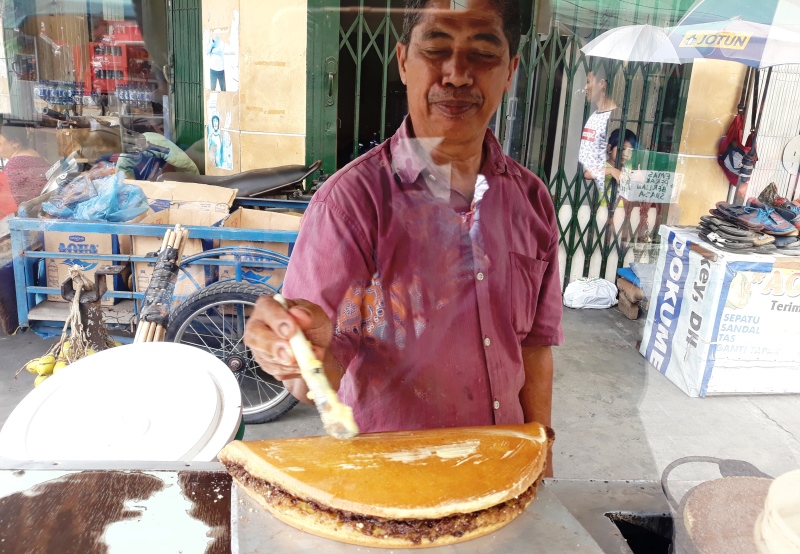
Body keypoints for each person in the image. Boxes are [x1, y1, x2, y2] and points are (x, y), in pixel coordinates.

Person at [244, 0, 563, 471]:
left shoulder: (531, 200)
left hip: (506, 472)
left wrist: (542, 465)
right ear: (402, 62)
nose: (456, 75)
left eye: (482, 52)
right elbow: (319, 369)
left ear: (511, 69)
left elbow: (535, 349)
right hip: (395, 483)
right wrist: (297, 353)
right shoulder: (350, 204)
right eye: (436, 49)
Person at [578, 61, 619, 203]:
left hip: (615, 198)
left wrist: (611, 171)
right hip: (598, 196)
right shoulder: (594, 116)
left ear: (602, 83)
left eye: (588, 81)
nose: (585, 87)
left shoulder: (614, 117)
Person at [0, 123, 51, 208]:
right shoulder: (34, 155)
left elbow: (5, 204)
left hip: (30, 216)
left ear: (15, 142)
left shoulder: (15, 165)